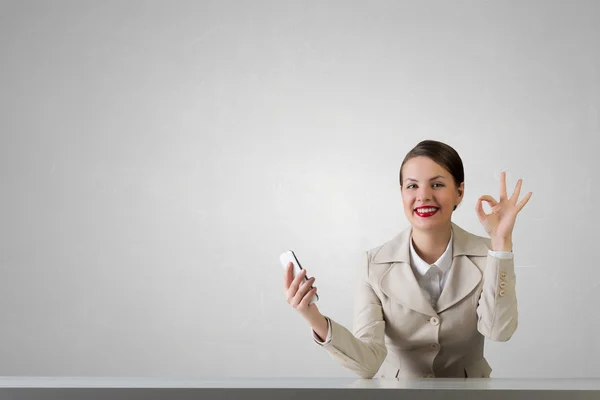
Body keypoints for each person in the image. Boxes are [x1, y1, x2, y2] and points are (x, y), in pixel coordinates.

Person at [283, 140, 532, 379]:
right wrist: (313, 316)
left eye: (436, 185)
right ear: (401, 193)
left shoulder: (489, 255)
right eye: (412, 186)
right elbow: (368, 362)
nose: (423, 196)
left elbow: (499, 331)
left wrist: (501, 244)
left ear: (459, 192)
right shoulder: (373, 264)